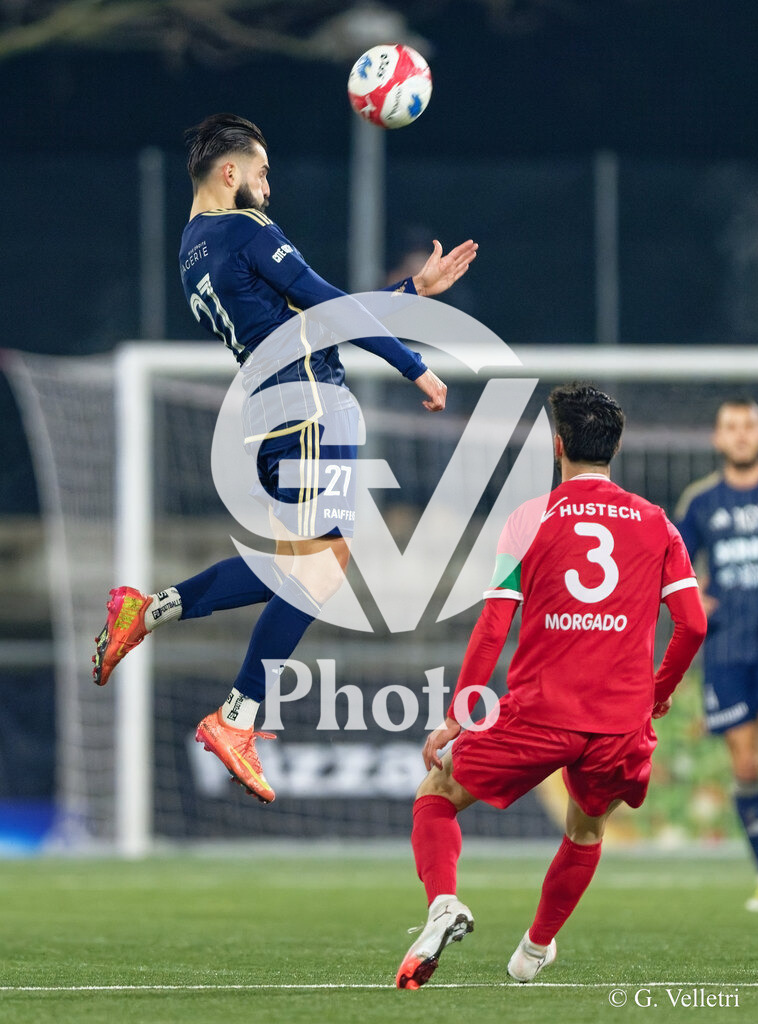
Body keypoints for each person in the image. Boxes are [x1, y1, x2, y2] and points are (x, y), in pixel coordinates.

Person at [92, 113, 477, 803]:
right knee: (318, 568)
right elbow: (324, 307)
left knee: (298, 567)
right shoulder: (245, 228)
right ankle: (235, 716)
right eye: (262, 172)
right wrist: (410, 361)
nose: (269, 188)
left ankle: (148, 614)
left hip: (273, 413)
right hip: (308, 408)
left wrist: (413, 293)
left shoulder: (192, 251)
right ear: (230, 173)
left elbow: (307, 320)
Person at [395, 383, 706, 988]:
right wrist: (656, 695)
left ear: (557, 445)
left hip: (539, 713)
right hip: (619, 722)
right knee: (587, 829)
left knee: (436, 793)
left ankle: (443, 905)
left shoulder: (527, 520)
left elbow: (492, 628)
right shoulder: (657, 522)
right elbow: (692, 624)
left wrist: (459, 715)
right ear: (614, 447)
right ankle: (533, 951)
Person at [675, 397, 758, 912]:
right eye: (731, 427)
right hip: (729, 648)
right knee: (746, 763)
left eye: (748, 425)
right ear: (717, 438)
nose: (740, 435)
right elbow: (676, 565)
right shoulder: (701, 502)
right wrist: (693, 595)